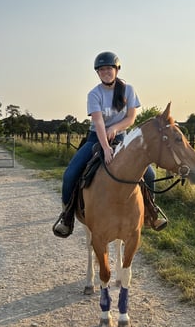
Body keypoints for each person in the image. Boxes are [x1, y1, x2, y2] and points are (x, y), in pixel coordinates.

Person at [52, 51, 167, 238]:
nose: (106, 72)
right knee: (70, 174)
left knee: (149, 173)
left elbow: (131, 118)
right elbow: (98, 123)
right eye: (102, 69)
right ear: (97, 73)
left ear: (117, 70)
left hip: (122, 138)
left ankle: (151, 212)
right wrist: (105, 148)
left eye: (109, 68)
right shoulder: (94, 94)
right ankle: (67, 217)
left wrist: (115, 128)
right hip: (95, 138)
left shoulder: (128, 90)